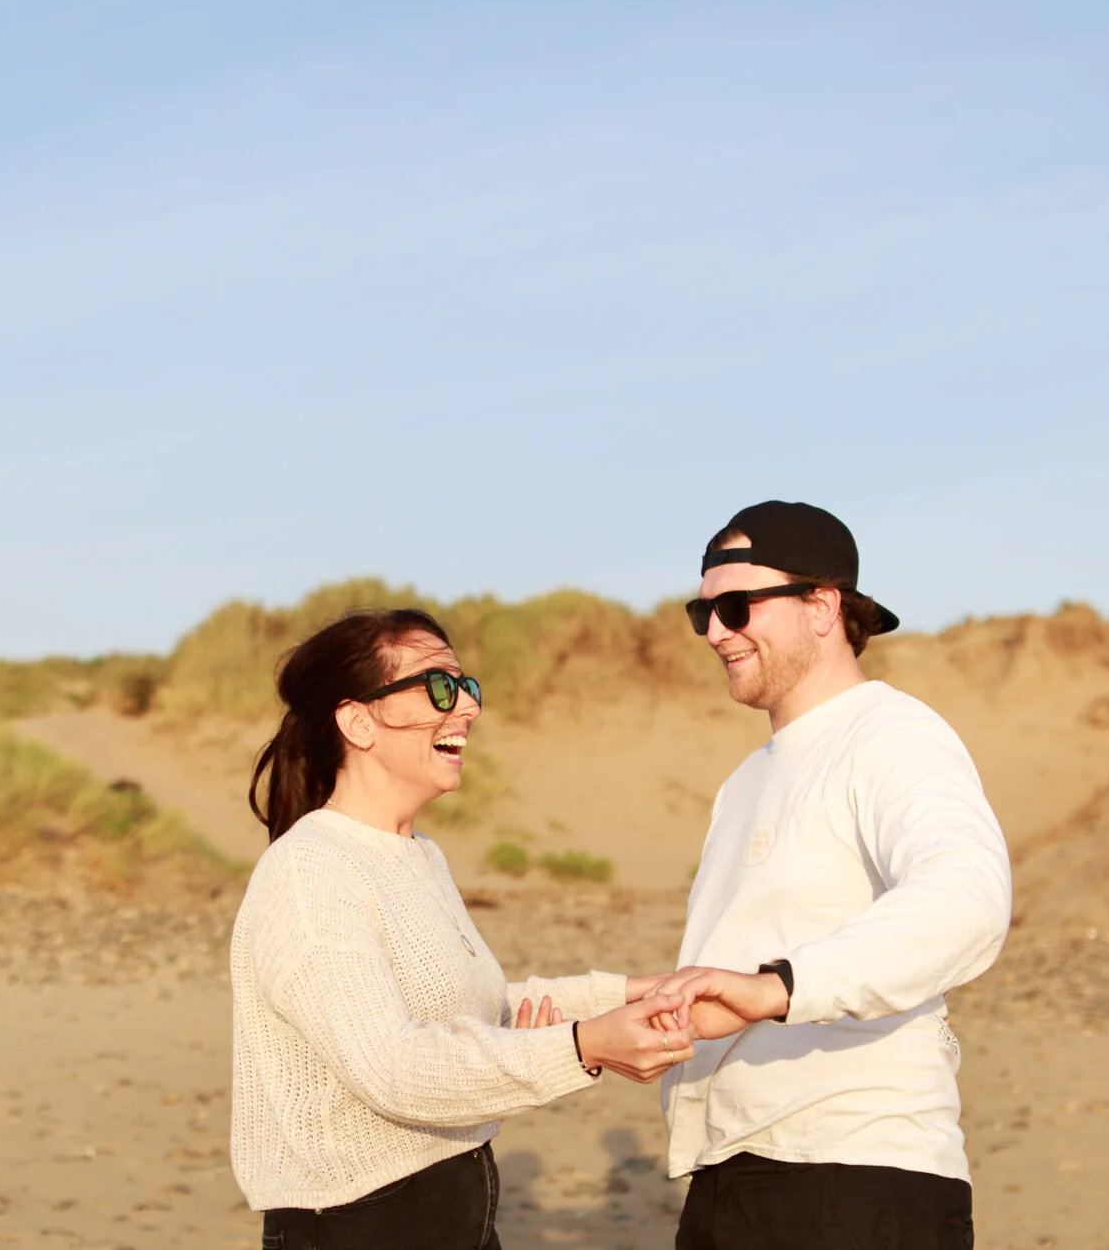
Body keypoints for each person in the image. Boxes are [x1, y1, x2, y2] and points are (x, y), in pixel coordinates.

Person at [229, 607, 695, 1250]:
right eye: (440, 687)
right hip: (355, 1228)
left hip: (460, 1211)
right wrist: (584, 1047)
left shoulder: (418, 852)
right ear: (357, 721)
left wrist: (634, 994)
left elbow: (478, 1010)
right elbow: (394, 1070)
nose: (468, 709)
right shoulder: (310, 872)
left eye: (466, 686)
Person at [649, 501, 1012, 1250]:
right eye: (702, 610)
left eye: (735, 604)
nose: (716, 630)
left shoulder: (892, 734)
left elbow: (967, 897)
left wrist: (775, 986)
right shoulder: (747, 779)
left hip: (854, 1176)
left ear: (822, 606)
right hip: (735, 1171)